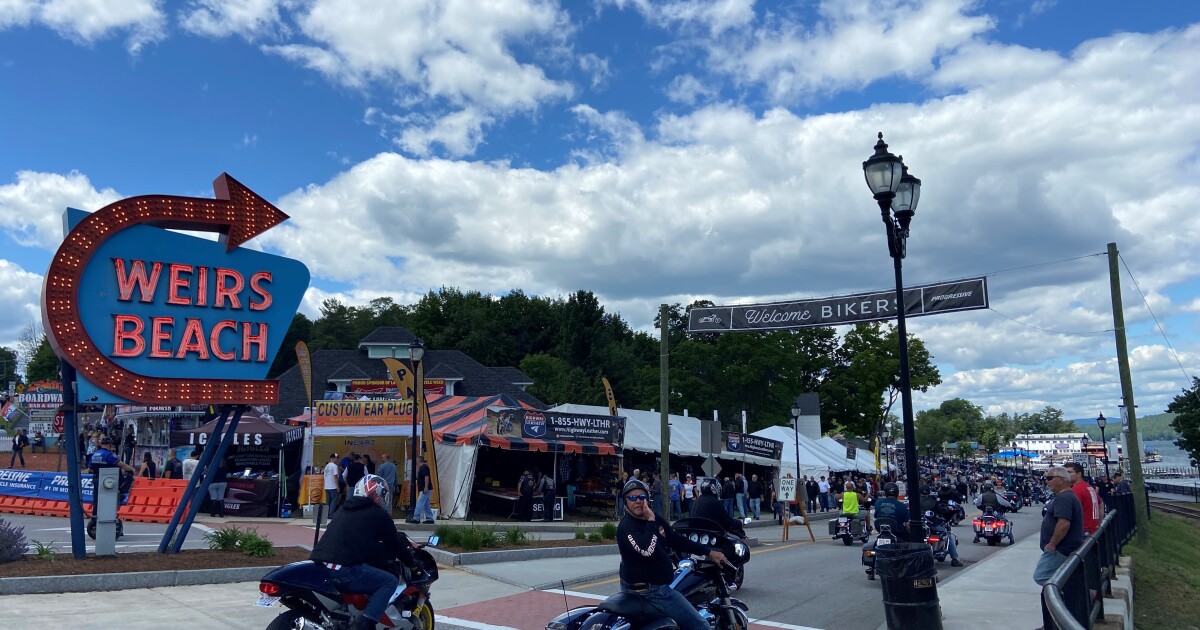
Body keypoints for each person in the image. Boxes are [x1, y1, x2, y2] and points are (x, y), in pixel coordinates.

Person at [309, 474, 423, 630]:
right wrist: (413, 565)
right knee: (389, 581)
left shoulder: (343, 510)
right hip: (343, 569)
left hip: (319, 566)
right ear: (378, 494)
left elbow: (357, 540)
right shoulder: (378, 515)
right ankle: (364, 623)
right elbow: (394, 544)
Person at [616, 478, 729, 630]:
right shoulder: (627, 527)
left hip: (650, 588)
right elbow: (646, 550)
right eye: (632, 498)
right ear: (626, 501)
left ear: (647, 498)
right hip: (652, 592)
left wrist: (709, 551)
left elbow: (676, 539)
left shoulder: (655, 520)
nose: (638, 501)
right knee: (701, 626)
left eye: (642, 497)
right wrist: (651, 521)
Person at [1034, 466, 1085, 585]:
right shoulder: (1066, 496)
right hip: (1062, 548)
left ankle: (1076, 590)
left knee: (1041, 576)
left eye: (1050, 478)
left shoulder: (1064, 497)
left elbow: (1063, 524)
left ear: (1061, 480)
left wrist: (1052, 544)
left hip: (1060, 549)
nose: (1047, 481)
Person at [1064, 463, 1102, 535]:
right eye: (1065, 473)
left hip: (1082, 531)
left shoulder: (1076, 490)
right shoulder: (1088, 487)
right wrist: (1098, 523)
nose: (1066, 475)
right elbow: (1100, 504)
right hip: (1091, 529)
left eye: (1069, 472)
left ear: (1079, 474)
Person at [412, 455, 435, 524]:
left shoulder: (424, 467)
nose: (416, 461)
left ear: (419, 460)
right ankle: (430, 518)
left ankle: (416, 518)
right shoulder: (422, 467)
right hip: (425, 488)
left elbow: (426, 477)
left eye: (417, 460)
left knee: (420, 502)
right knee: (426, 504)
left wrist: (426, 487)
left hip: (425, 489)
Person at [323, 453, 341, 517]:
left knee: (328, 501)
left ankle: (326, 513)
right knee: (334, 500)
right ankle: (331, 513)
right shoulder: (334, 466)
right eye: (336, 458)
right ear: (333, 458)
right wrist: (338, 486)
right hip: (332, 486)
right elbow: (335, 476)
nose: (337, 459)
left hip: (327, 486)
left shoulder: (327, 466)